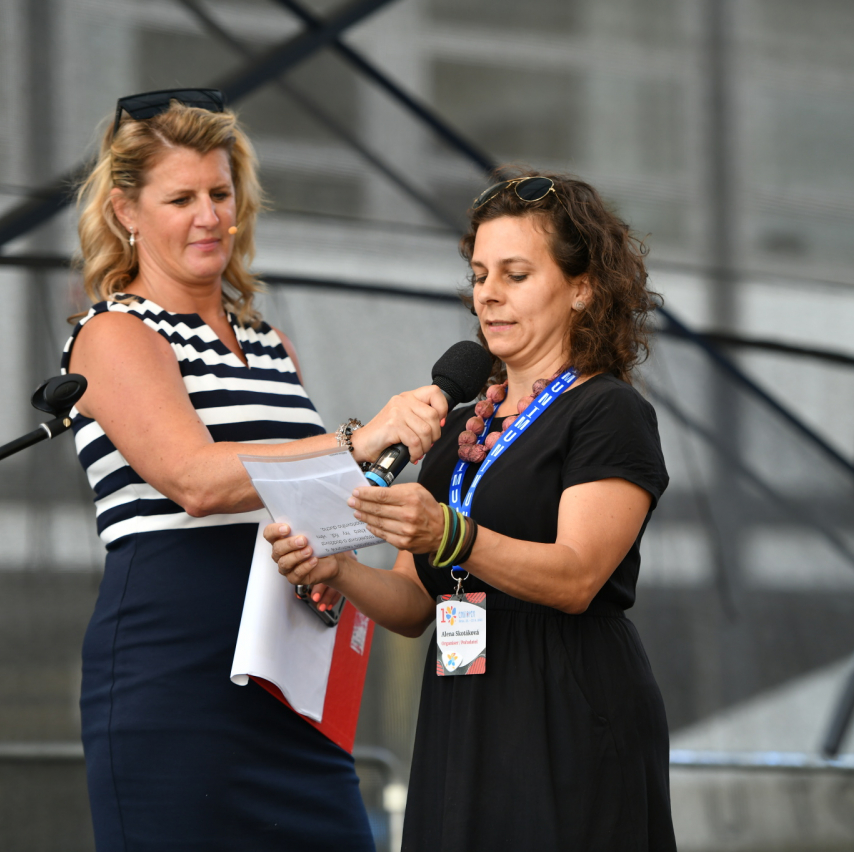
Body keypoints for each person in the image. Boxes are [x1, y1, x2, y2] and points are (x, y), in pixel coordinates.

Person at [60, 88, 447, 852]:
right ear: (125, 211)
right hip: (174, 673)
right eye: (181, 199)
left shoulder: (271, 344)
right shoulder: (111, 333)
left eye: (220, 192)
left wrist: (355, 534)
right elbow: (195, 480)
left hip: (287, 670)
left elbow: (298, 490)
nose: (208, 215)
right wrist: (360, 440)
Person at [267, 169, 677, 850]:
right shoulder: (459, 425)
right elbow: (413, 603)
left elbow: (577, 577)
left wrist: (450, 534)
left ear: (582, 288)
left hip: (567, 703)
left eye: (516, 274)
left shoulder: (608, 410)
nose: (488, 293)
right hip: (463, 704)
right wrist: (336, 569)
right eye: (480, 275)